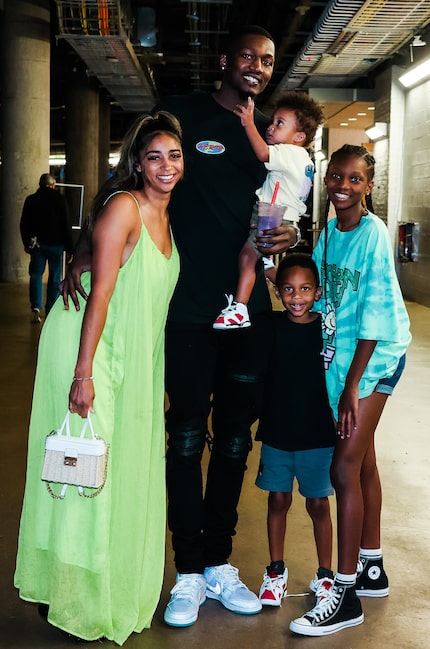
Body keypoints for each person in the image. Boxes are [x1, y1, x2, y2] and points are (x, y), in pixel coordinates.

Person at [61, 25, 298, 629]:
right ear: (226, 60)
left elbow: (284, 206)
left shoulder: (272, 135)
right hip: (187, 312)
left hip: (248, 315)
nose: (257, 67)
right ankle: (188, 572)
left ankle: (219, 561)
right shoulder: (182, 117)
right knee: (187, 437)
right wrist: (87, 245)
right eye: (247, 56)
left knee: (237, 440)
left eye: (267, 61)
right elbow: (127, 178)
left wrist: (292, 236)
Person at [14, 112, 182, 644]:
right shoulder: (124, 209)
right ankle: (72, 594)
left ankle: (101, 584)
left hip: (133, 357)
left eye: (174, 156)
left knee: (114, 470)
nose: (166, 166)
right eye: (154, 156)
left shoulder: (167, 213)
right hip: (91, 351)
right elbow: (103, 294)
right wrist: (82, 375)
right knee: (86, 473)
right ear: (136, 162)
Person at [289, 145, 412, 636]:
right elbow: (326, 299)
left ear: (368, 186)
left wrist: (352, 387)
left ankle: (346, 594)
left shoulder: (374, 236)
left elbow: (376, 320)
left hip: (375, 359)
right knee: (363, 462)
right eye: (336, 176)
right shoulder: (327, 234)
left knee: (343, 467)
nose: (343, 185)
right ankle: (372, 566)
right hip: (342, 362)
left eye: (355, 179)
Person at [256, 253, 336, 607]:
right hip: (277, 433)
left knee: (318, 504)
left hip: (318, 435)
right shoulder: (271, 327)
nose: (296, 296)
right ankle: (276, 571)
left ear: (318, 292)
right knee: (278, 500)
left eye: (305, 289)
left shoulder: (328, 329)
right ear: (278, 292)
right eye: (288, 289)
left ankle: (326, 575)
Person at [213, 91, 324, 330]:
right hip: (284, 215)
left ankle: (240, 309)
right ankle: (298, 293)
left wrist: (249, 123)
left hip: (272, 214)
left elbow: (263, 153)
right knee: (260, 262)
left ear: (299, 136)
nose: (271, 128)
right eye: (273, 121)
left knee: (246, 257)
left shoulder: (289, 152)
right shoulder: (304, 159)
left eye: (280, 123)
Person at [20, 173, 73, 322]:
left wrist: (26, 243)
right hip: (56, 245)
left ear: (40, 184)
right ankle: (50, 309)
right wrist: (70, 248)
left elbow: (24, 224)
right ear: (53, 185)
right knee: (55, 276)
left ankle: (36, 307)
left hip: (37, 245)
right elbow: (66, 225)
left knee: (36, 274)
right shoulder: (60, 199)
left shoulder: (31, 200)